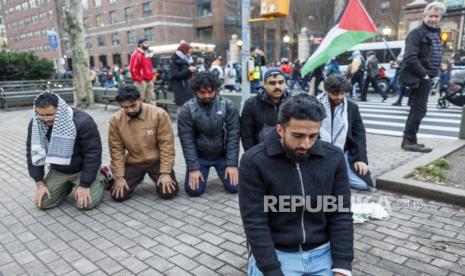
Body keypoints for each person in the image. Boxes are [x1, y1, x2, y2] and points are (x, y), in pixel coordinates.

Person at [239, 93, 353, 276]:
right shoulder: (254, 161)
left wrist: (342, 264)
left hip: (322, 252)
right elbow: (254, 221)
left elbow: (341, 214)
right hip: (278, 253)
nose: (306, 144)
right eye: (298, 136)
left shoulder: (334, 158)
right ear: (280, 130)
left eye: (313, 136)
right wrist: (271, 269)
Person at [26, 92, 105, 210]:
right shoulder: (36, 123)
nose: (46, 119)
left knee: (87, 204)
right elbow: (32, 154)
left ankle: (102, 177)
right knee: (43, 203)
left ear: (60, 110)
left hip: (82, 169)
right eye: (41, 115)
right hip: (59, 170)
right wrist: (40, 184)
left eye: (50, 115)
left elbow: (93, 154)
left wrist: (85, 185)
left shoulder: (83, 121)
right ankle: (66, 185)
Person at [108, 84, 178, 201]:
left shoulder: (159, 114)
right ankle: (111, 176)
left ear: (140, 99)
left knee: (168, 192)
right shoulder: (116, 119)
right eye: (125, 107)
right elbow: (116, 150)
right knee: (118, 196)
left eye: (133, 105)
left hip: (157, 162)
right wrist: (119, 176)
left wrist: (165, 172)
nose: (130, 110)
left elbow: (167, 145)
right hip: (134, 163)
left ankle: (161, 176)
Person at [177, 72, 240, 197]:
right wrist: (194, 168)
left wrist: (232, 164)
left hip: (222, 156)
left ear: (216, 90)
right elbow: (187, 141)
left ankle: (224, 172)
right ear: (195, 91)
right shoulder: (187, 109)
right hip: (201, 157)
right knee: (194, 191)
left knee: (235, 188)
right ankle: (201, 172)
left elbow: (234, 136)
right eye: (202, 92)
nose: (207, 96)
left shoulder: (227, 105)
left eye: (210, 92)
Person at [399, 1, 446, 153]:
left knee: (416, 109)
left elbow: (434, 55)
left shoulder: (436, 33)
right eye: (431, 16)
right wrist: (424, 74)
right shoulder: (416, 33)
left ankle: (409, 140)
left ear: (440, 17)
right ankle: (409, 141)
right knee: (419, 110)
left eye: (436, 16)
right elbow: (410, 57)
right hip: (418, 77)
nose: (433, 19)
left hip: (426, 77)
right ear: (424, 15)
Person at [317, 75, 373, 190]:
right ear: (327, 91)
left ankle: (334, 178)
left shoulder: (352, 108)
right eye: (335, 93)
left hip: (343, 152)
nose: (339, 97)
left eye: (342, 94)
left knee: (363, 184)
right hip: (319, 152)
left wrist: (361, 159)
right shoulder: (315, 105)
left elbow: (359, 134)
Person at [240, 68, 290, 151]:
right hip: (259, 154)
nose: (277, 86)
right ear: (264, 84)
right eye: (272, 83)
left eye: (280, 82)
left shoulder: (293, 104)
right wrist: (252, 156)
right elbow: (247, 135)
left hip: (286, 155)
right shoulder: (251, 104)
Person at [170, 42, 198, 111]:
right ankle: (180, 121)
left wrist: (195, 70)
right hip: (181, 88)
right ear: (183, 51)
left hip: (190, 86)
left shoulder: (189, 59)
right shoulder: (175, 61)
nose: (189, 54)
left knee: (191, 107)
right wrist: (188, 70)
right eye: (188, 52)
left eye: (190, 52)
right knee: (182, 109)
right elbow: (175, 75)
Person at [129, 38, 155, 104]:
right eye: (146, 43)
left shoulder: (147, 54)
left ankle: (152, 113)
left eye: (148, 43)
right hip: (141, 80)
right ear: (140, 45)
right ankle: (141, 114)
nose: (148, 44)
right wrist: (138, 78)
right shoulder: (136, 54)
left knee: (151, 99)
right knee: (140, 99)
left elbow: (149, 66)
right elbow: (132, 68)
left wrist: (151, 77)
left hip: (149, 79)